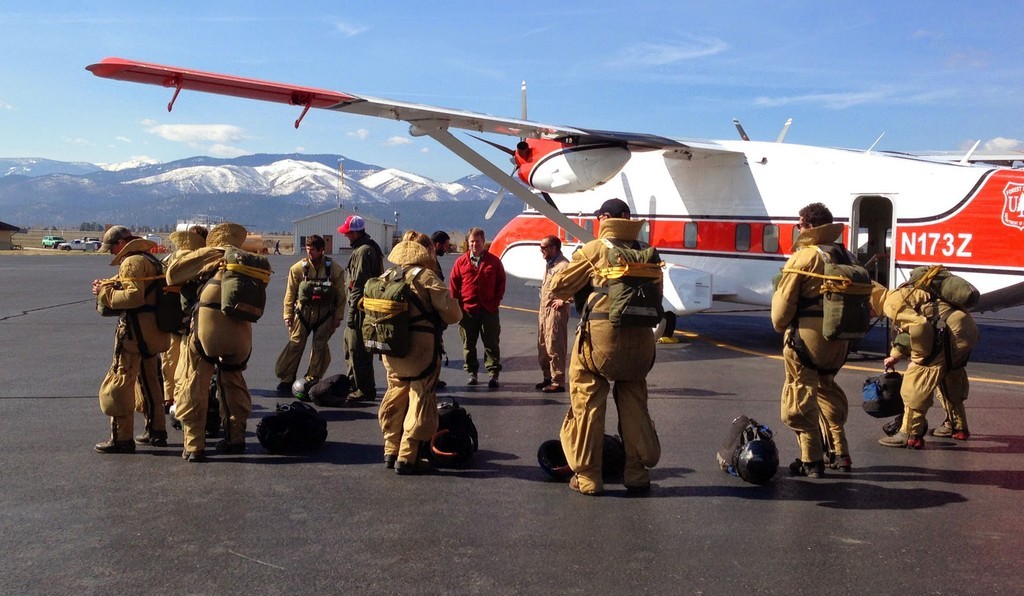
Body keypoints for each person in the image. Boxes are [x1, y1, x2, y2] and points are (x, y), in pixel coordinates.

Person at [548, 198, 661, 495]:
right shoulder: (647, 251)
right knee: (634, 403)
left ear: (606, 219)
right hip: (640, 342)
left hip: (600, 340)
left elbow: (558, 287)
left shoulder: (595, 249)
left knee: (587, 401)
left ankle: (588, 477)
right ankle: (636, 473)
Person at [770, 202, 853, 478]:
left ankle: (811, 460)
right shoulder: (845, 256)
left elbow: (782, 310)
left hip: (807, 340)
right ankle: (840, 454)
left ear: (808, 226)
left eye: (800, 224)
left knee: (799, 394)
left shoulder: (805, 257)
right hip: (839, 340)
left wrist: (781, 325)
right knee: (827, 389)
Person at [166, 223, 256, 461]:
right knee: (234, 383)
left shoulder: (211, 254)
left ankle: (194, 445)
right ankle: (236, 439)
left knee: (194, 382)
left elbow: (172, 275)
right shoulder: (246, 259)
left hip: (208, 329)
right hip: (241, 331)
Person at [377, 231, 463, 474]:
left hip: (392, 350)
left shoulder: (387, 275)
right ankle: (407, 456)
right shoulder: (427, 278)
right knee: (420, 397)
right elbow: (452, 314)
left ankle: (389, 450)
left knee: (395, 395)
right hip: (420, 352)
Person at [870, 281, 980, 448]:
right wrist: (895, 355)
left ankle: (910, 434)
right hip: (964, 328)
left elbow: (919, 326)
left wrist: (920, 359)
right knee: (950, 375)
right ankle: (957, 427)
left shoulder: (890, 303)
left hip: (950, 332)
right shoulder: (901, 294)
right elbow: (907, 333)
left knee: (916, 382)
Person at [91, 225, 171, 453]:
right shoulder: (148, 259)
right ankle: (156, 431)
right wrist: (108, 284)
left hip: (135, 332)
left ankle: (121, 437)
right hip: (152, 332)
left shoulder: (131, 262)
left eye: (110, 248)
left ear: (119, 244)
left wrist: (103, 294)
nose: (110, 253)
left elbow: (133, 296)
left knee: (120, 381)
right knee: (150, 380)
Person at [274, 235, 346, 393]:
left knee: (319, 347)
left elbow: (341, 295)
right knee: (295, 345)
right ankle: (287, 378)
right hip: (302, 315)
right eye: (307, 250)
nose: (309, 253)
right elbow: (290, 293)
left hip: (325, 316)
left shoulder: (334, 269)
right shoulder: (297, 269)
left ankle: (312, 378)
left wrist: (338, 317)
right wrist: (288, 315)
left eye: (313, 250)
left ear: (322, 250)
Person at [449, 227, 506, 388]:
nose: (475, 244)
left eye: (478, 241)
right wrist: (458, 306)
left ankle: (493, 373)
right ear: (468, 243)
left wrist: (496, 301)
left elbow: (501, 282)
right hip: (468, 311)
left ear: (483, 242)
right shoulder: (460, 262)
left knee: (492, 343)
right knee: (468, 344)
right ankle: (471, 373)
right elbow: (454, 285)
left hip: (489, 310)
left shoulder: (494, 262)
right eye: (472, 241)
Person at [160, 227, 207, 415]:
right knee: (190, 362)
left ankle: (169, 397)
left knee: (170, 360)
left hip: (172, 316)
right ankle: (187, 397)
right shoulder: (204, 259)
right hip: (194, 318)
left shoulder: (172, 258)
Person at [338, 214, 384, 402]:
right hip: (362, 307)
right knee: (350, 348)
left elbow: (357, 285)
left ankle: (364, 389)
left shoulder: (363, 252)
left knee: (358, 350)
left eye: (348, 232)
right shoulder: (368, 248)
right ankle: (356, 384)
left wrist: (351, 314)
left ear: (355, 233)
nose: (346, 236)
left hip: (360, 309)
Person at [537, 235, 570, 393]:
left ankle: (558, 381)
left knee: (555, 345)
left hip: (555, 313)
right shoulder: (549, 265)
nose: (541, 251)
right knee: (543, 345)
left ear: (554, 248)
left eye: (544, 247)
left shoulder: (563, 266)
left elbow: (575, 285)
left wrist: (564, 300)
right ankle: (547, 377)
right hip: (544, 311)